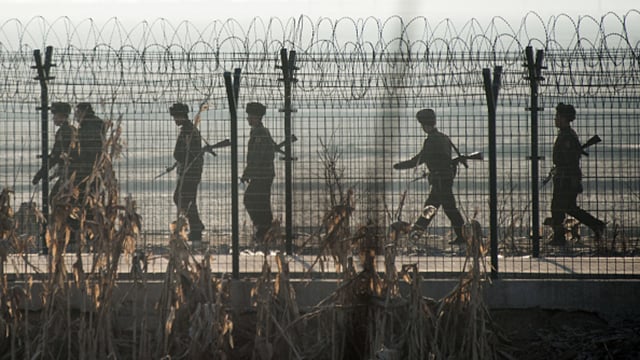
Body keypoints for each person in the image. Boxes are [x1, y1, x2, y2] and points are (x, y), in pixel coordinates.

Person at [393, 108, 466, 245]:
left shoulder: (431, 141)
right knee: (436, 208)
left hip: (439, 180)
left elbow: (419, 160)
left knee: (444, 209)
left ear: (425, 125)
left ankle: (416, 234)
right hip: (445, 179)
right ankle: (417, 233)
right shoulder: (444, 138)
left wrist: (399, 166)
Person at [549, 103, 605, 246]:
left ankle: (560, 237)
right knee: (566, 207)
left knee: (559, 207)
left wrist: (560, 168)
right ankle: (595, 225)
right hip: (565, 177)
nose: (555, 119)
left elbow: (569, 161)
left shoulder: (567, 136)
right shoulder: (566, 134)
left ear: (564, 118)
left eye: (557, 116)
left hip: (566, 178)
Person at [170, 102, 205, 243]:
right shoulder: (188, 130)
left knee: (183, 198)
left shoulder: (189, 131)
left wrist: (183, 159)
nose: (174, 120)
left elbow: (189, 153)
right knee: (185, 199)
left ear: (180, 116)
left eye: (175, 117)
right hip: (188, 170)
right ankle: (196, 227)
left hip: (190, 171)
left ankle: (196, 228)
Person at [241, 102, 275, 244]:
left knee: (251, 200)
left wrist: (248, 172)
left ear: (256, 117)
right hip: (262, 174)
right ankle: (265, 232)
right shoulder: (259, 132)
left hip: (262, 174)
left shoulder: (260, 133)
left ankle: (263, 230)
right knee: (261, 203)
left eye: (250, 116)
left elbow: (257, 157)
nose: (248, 119)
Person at [32, 102, 78, 204]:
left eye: (55, 115)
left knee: (54, 200)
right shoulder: (72, 130)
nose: (53, 118)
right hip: (73, 172)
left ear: (62, 116)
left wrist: (40, 174)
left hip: (69, 173)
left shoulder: (64, 132)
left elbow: (55, 156)